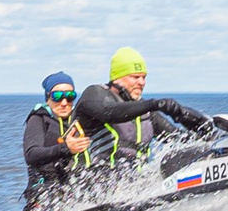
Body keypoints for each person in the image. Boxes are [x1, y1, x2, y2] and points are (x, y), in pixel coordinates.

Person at [75, 47, 210, 172]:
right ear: (117, 78)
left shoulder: (146, 113)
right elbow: (108, 112)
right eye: (135, 77)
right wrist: (156, 104)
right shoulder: (93, 95)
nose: (142, 82)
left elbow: (178, 140)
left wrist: (201, 131)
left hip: (133, 187)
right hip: (93, 186)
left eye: (144, 77)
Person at [21, 72, 88, 211]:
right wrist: (65, 148)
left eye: (70, 97)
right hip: (44, 193)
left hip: (73, 191)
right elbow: (31, 154)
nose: (64, 103)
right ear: (47, 98)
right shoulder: (38, 119)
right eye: (57, 97)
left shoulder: (79, 120)